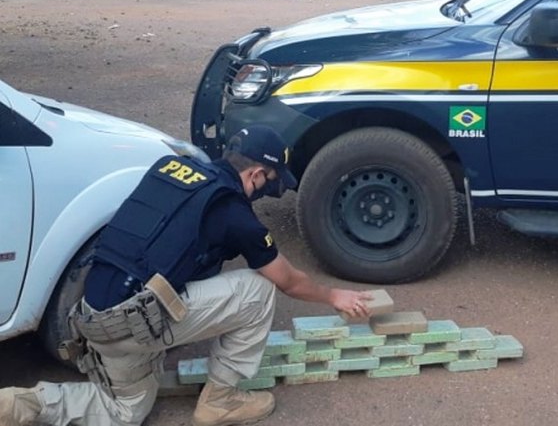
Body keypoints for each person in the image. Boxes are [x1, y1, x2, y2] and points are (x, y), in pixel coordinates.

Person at [0, 125, 373, 426]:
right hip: (130, 324)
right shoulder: (233, 213)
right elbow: (287, 280)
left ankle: (17, 404)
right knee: (258, 289)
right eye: (270, 181)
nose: (267, 192)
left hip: (91, 313)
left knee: (126, 408)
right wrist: (333, 296)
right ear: (256, 173)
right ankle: (220, 402)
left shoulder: (169, 168)